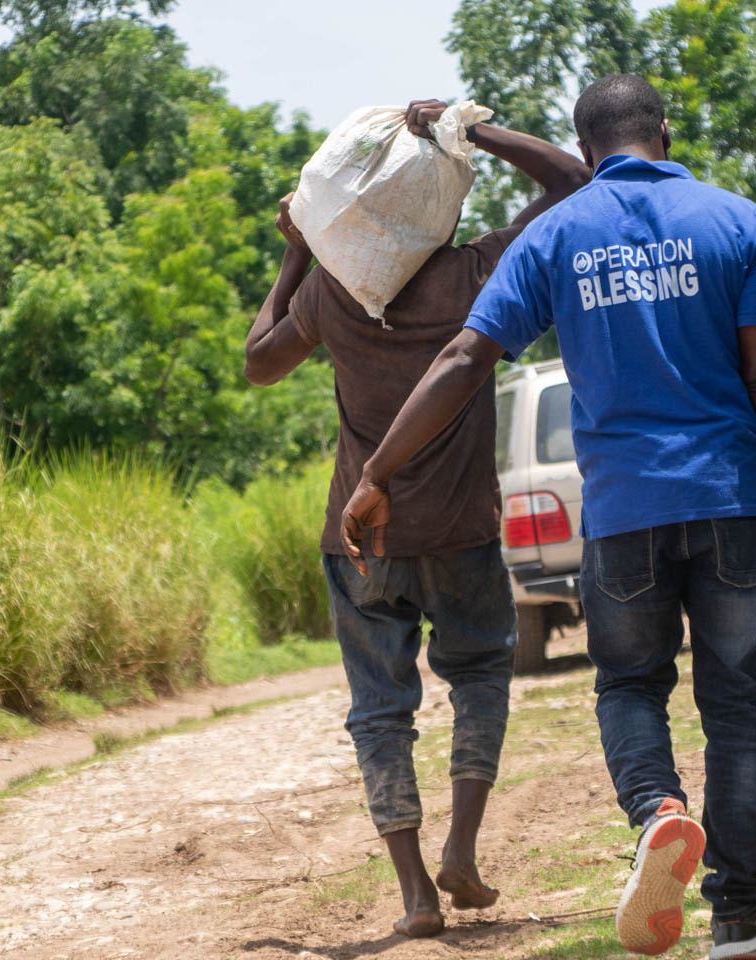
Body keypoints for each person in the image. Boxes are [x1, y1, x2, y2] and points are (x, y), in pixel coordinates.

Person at [338, 76, 756, 959]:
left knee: (629, 686)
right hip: (732, 503)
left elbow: (467, 355)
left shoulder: (556, 234)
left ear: (587, 153)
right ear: (664, 133)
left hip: (624, 513)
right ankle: (738, 920)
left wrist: (377, 472)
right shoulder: (738, 222)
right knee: (736, 707)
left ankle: (659, 811)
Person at [244, 99, 590, 939]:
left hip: (360, 539)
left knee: (378, 710)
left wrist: (297, 256)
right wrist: (472, 131)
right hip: (463, 530)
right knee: (479, 677)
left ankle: (415, 898)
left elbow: (258, 362)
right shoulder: (472, 274)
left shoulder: (331, 292)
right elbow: (577, 182)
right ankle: (461, 849)